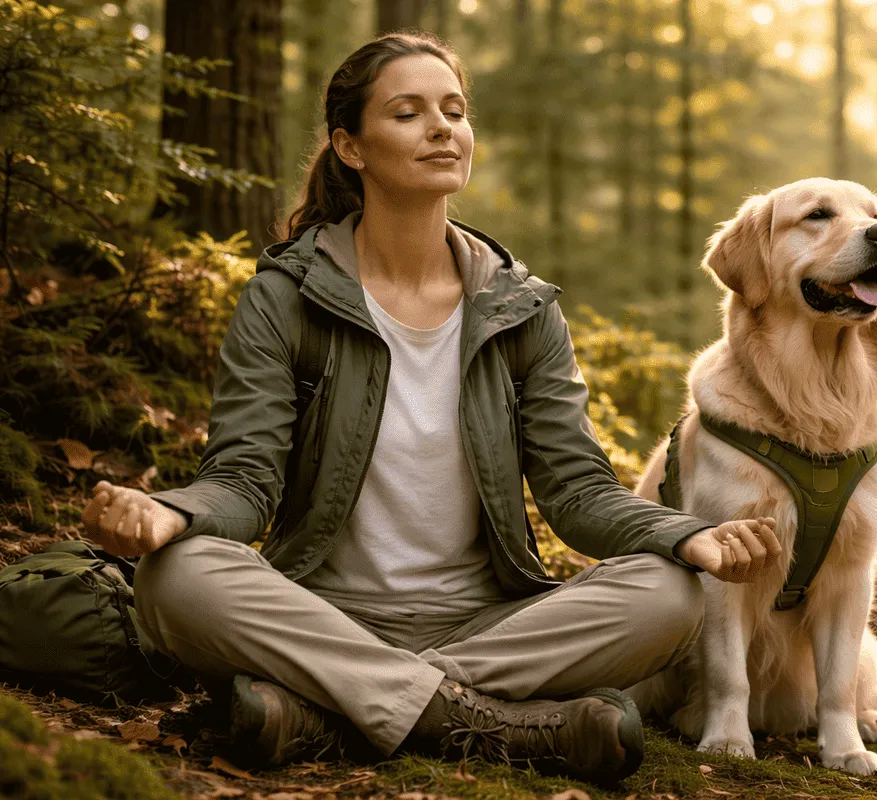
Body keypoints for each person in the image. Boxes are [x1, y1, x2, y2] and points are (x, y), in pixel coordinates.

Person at [80, 31, 781, 784]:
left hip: (490, 621)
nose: (442, 128)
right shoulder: (285, 297)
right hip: (322, 609)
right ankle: (491, 724)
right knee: (174, 574)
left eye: (453, 110)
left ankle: (327, 710)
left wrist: (687, 536)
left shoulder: (522, 308)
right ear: (350, 147)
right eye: (409, 113)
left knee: (670, 594)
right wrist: (173, 514)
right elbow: (246, 481)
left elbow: (578, 494)